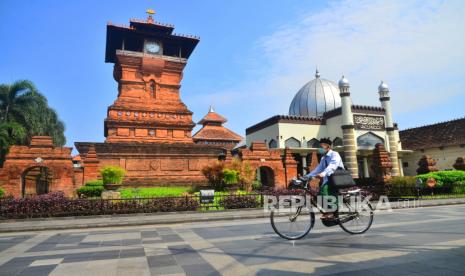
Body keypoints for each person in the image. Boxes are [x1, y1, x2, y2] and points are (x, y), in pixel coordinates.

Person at [303, 138, 344, 218]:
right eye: (319, 147)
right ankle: (332, 212)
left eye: (322, 147)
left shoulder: (335, 154)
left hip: (337, 178)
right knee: (318, 196)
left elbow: (333, 166)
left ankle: (331, 211)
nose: (320, 149)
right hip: (329, 179)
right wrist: (307, 176)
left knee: (324, 191)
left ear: (328, 147)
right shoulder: (323, 158)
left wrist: (324, 173)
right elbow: (318, 169)